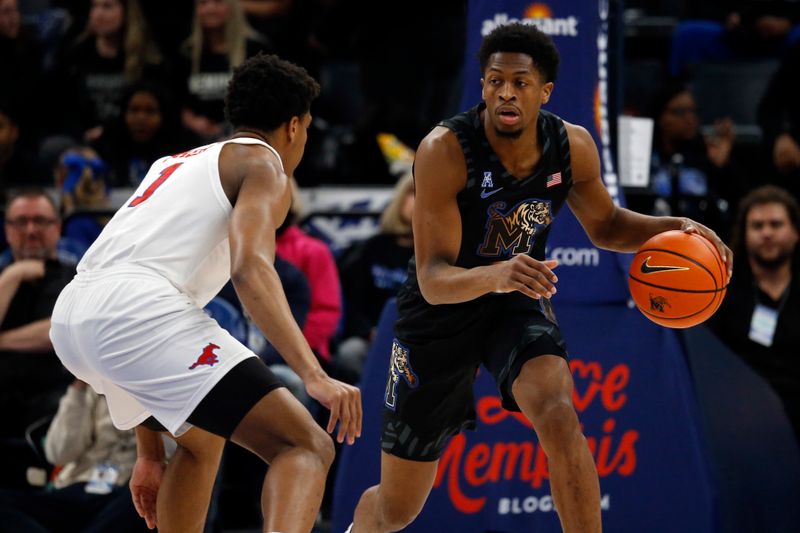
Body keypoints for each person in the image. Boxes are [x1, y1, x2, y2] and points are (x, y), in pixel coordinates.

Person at [347, 23, 732, 533]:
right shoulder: (444, 149)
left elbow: (608, 226)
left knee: (558, 413)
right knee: (398, 508)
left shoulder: (571, 145)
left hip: (515, 298)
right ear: (482, 86)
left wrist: (677, 227)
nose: (505, 92)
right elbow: (434, 278)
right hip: (440, 311)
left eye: (520, 82)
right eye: (494, 81)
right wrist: (496, 272)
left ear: (544, 91)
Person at [49, 53, 361, 533]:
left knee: (203, 438)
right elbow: (251, 269)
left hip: (73, 317)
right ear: (295, 126)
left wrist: (150, 454)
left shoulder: (171, 163)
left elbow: (139, 342)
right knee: (305, 445)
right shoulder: (265, 163)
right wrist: (313, 374)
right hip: (138, 311)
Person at [708, 185, 800, 443]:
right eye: (757, 226)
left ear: (795, 232)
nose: (767, 233)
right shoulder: (721, 291)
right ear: (744, 234)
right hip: (739, 419)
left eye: (776, 224)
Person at [0, 378, 151, 533]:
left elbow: (169, 455)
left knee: (143, 502)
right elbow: (59, 454)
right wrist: (78, 388)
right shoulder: (90, 388)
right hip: (79, 487)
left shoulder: (159, 386)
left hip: (128, 492)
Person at [0, 188, 76, 487]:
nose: (31, 230)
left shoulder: (76, 278)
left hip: (52, 402)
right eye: (20, 222)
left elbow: (58, 331)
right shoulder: (4, 277)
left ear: (57, 228)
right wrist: (13, 275)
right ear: (7, 231)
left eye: (41, 221)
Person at [337, 171, 415, 379]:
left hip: (418, 341)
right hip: (370, 338)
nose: (419, 202)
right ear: (400, 198)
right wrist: (369, 333)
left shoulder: (437, 254)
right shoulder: (370, 249)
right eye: (414, 193)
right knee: (350, 352)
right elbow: (353, 304)